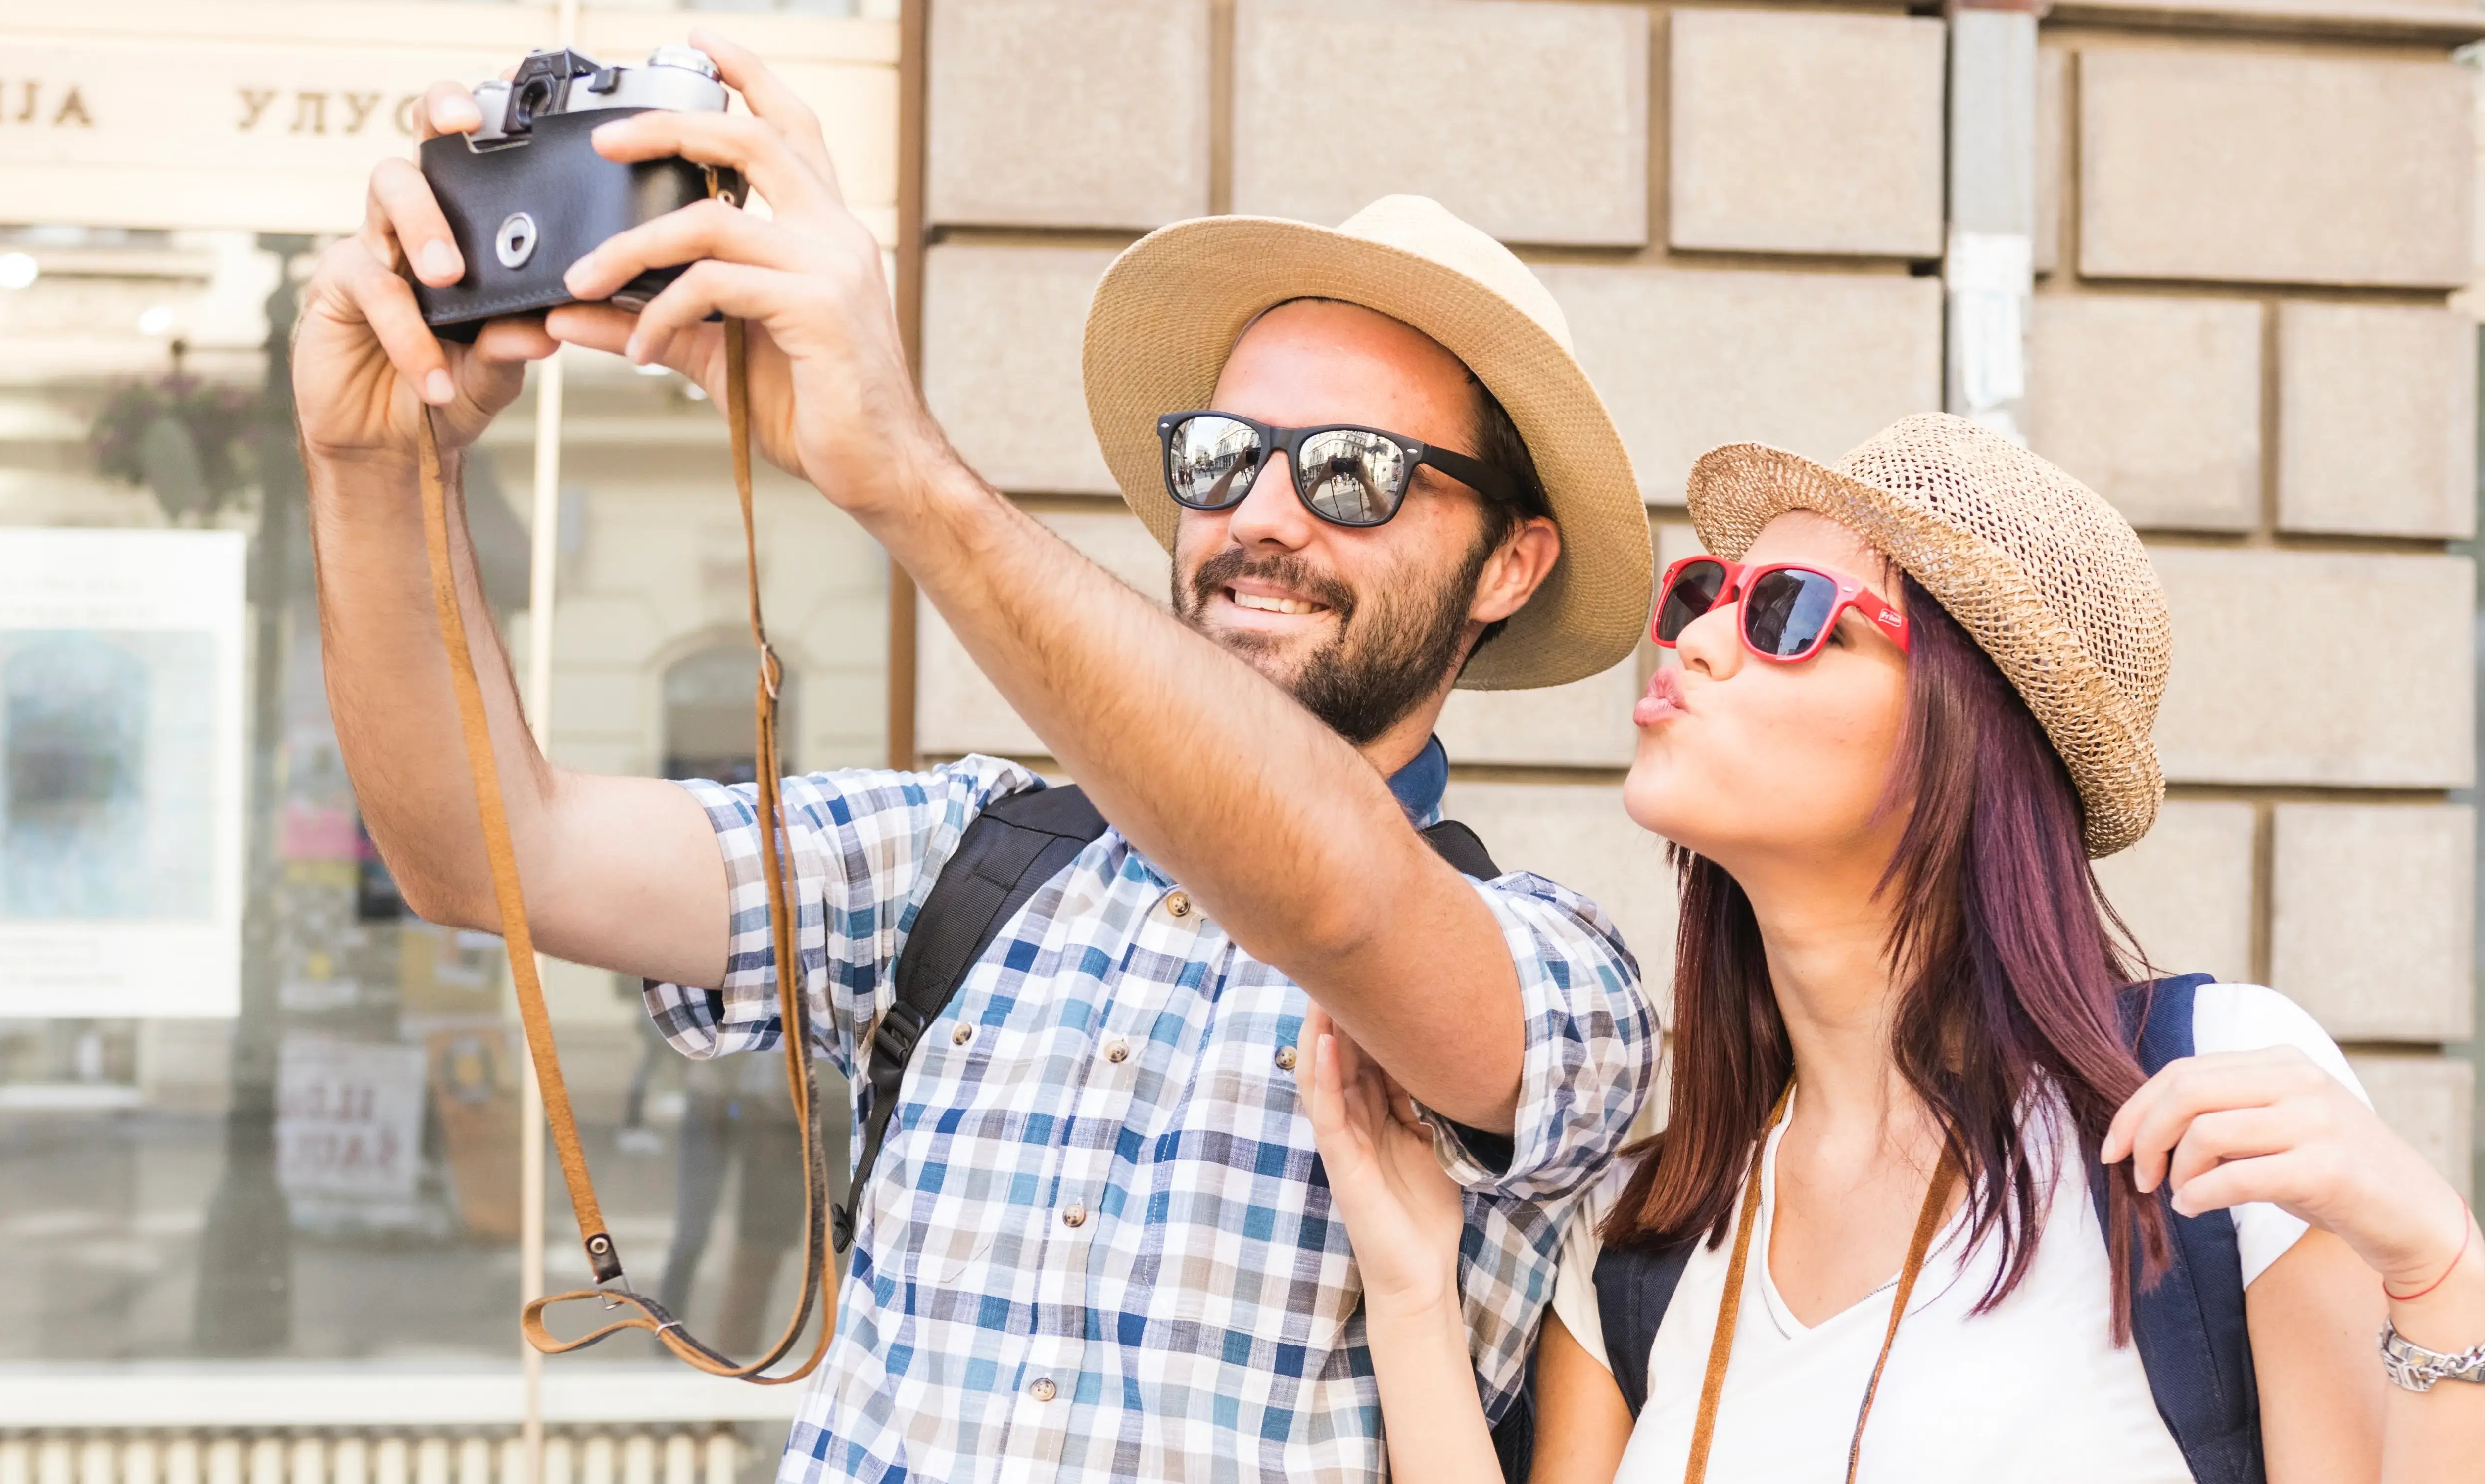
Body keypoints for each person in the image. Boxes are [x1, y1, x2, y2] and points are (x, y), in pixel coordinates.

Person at [291, 32, 1658, 1483]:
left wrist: (900, 470)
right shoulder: (971, 851)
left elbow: (1338, 901)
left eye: (1354, 472)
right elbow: (488, 851)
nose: (1265, 516)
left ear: (1511, 564)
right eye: (1219, 457)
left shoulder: (1565, 974)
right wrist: (376, 470)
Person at [1300, 415, 2485, 1482]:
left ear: (1963, 729)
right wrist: (1412, 1296)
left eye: (1785, 614)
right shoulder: (1643, 1231)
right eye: (1704, 596)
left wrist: (2436, 1271)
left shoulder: (2201, 1108)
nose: (1699, 642)